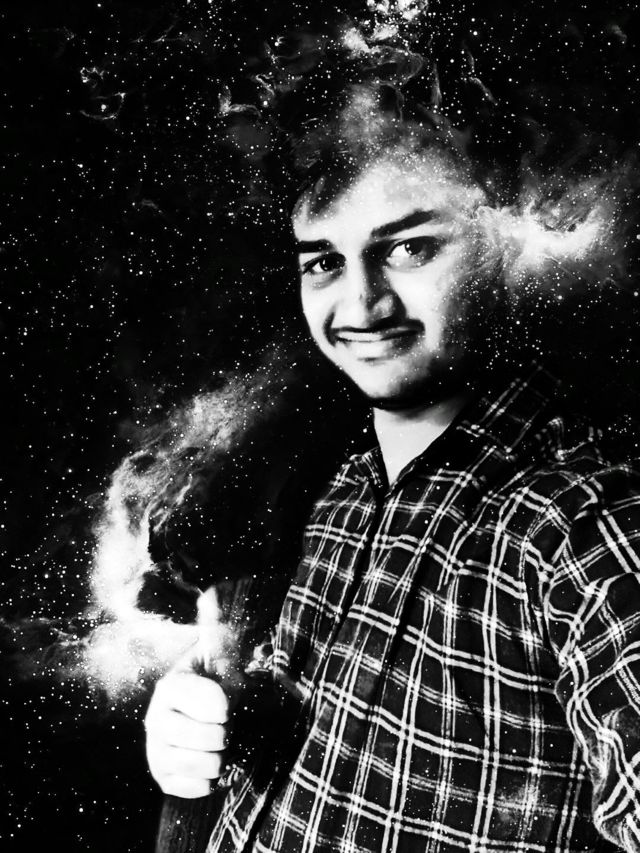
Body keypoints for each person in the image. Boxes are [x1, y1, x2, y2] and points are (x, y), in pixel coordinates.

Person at [144, 85, 640, 852]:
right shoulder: (337, 487)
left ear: (508, 241)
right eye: (323, 262)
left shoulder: (583, 516)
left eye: (408, 248)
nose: (361, 304)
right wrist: (209, 728)